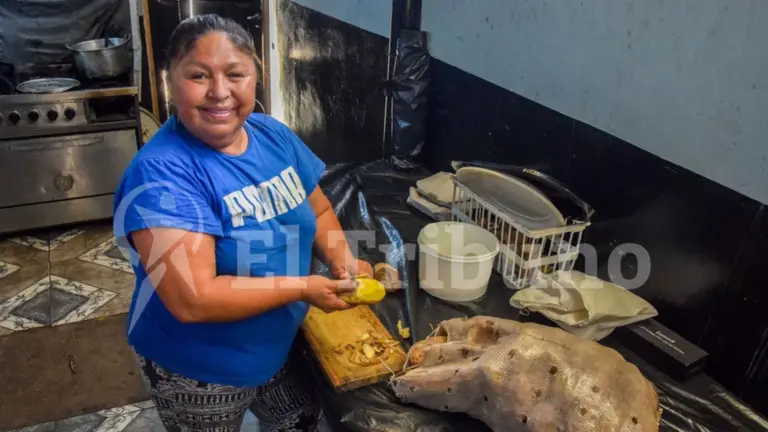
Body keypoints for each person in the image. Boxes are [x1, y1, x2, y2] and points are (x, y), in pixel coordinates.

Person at [112, 14, 373, 432]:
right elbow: (193, 299)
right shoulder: (162, 174)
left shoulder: (272, 135)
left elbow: (320, 211)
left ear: (255, 77)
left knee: (300, 421)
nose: (220, 92)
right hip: (201, 369)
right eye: (198, 75)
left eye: (236, 74)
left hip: (279, 344)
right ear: (170, 82)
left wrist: (343, 261)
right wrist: (304, 287)